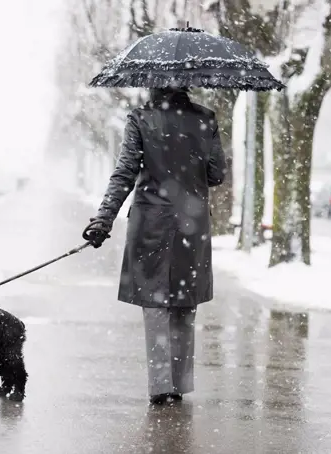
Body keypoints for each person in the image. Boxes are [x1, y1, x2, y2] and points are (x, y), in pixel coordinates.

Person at [83, 87, 226, 405]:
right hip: (192, 221)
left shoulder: (141, 118)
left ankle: (161, 385)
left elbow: (124, 174)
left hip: (151, 222)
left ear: (154, 83)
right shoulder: (205, 119)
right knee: (184, 302)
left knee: (156, 303)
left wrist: (103, 219)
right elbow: (217, 174)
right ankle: (179, 383)